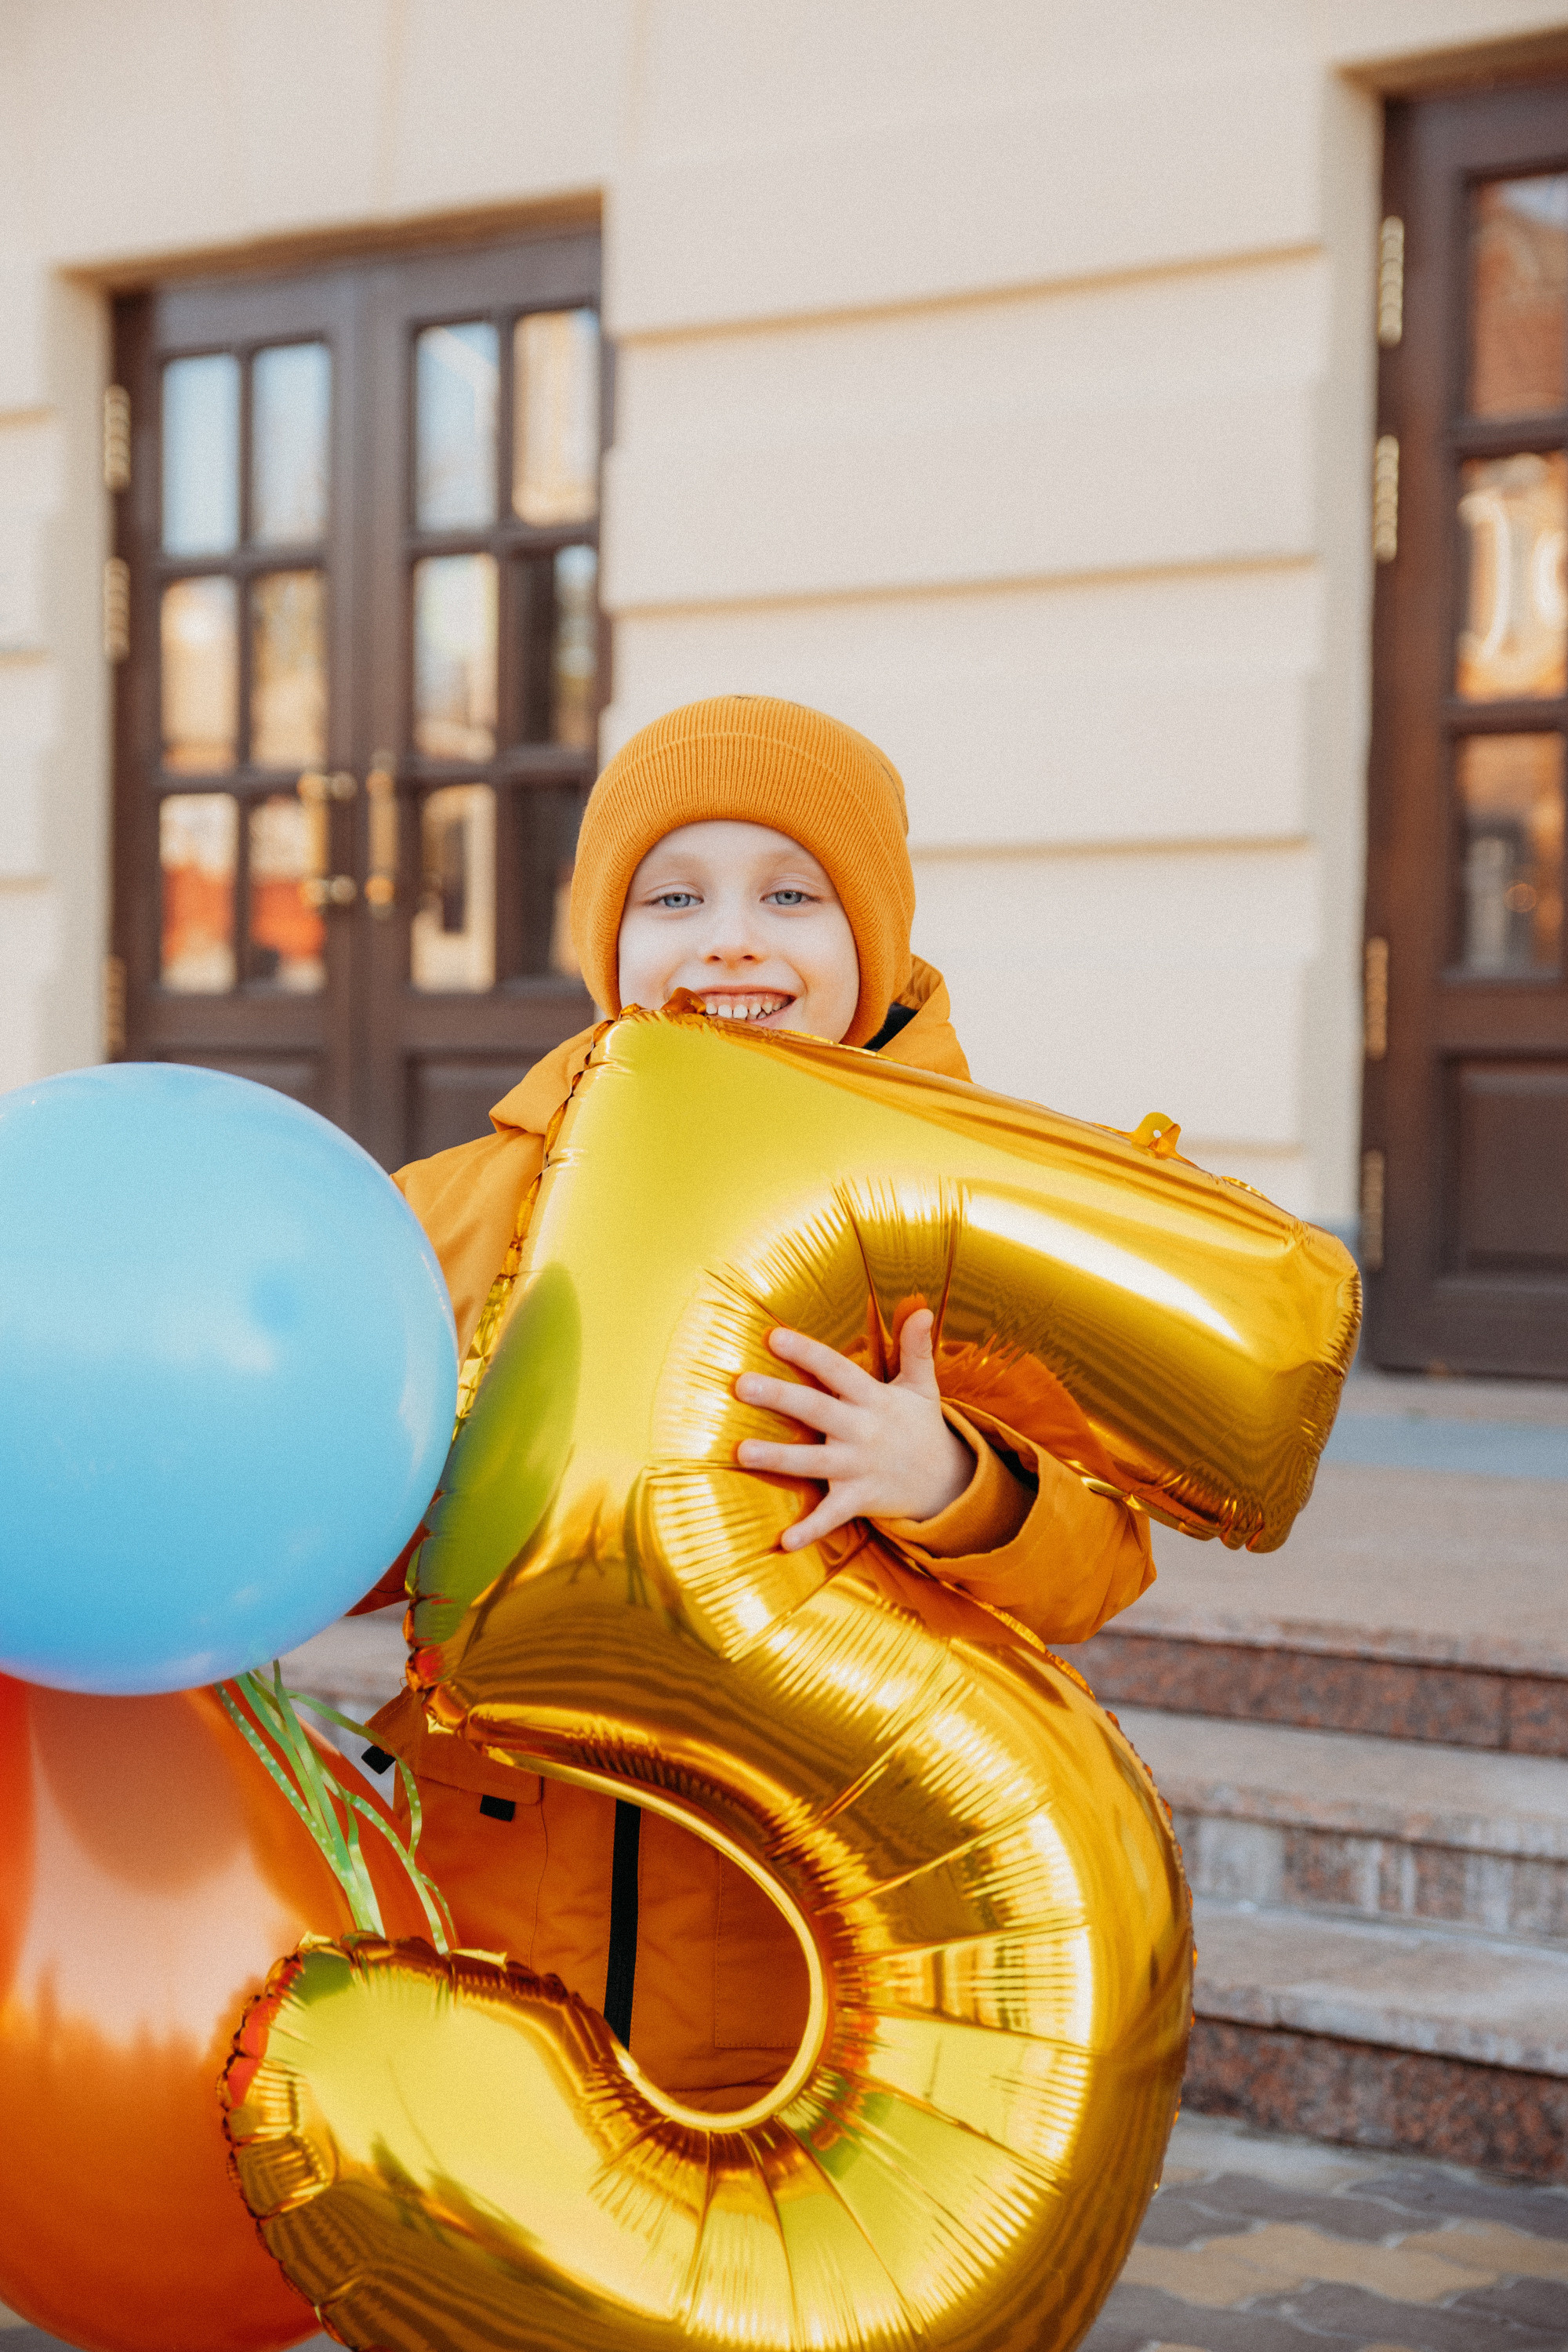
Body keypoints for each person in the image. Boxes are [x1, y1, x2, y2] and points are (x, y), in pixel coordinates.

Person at [359, 694, 1153, 2111]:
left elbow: (1100, 1553)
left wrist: (958, 1482)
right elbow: (347, 1515)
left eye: (792, 893)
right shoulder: (473, 1204)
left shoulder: (973, 1217)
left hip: (798, 1939)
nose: (730, 937)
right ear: (607, 942)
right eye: (674, 895)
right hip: (495, 1889)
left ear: (880, 934)